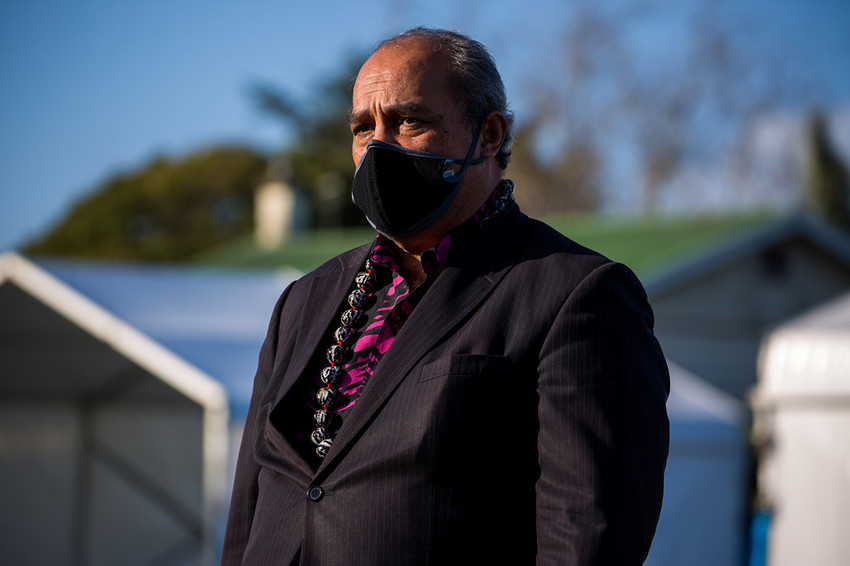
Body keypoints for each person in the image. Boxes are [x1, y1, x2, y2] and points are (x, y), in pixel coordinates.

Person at [222, 27, 669, 566]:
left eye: (410, 121)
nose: (380, 146)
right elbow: (252, 512)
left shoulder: (576, 293)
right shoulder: (303, 300)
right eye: (364, 128)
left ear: (488, 134)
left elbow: (588, 537)